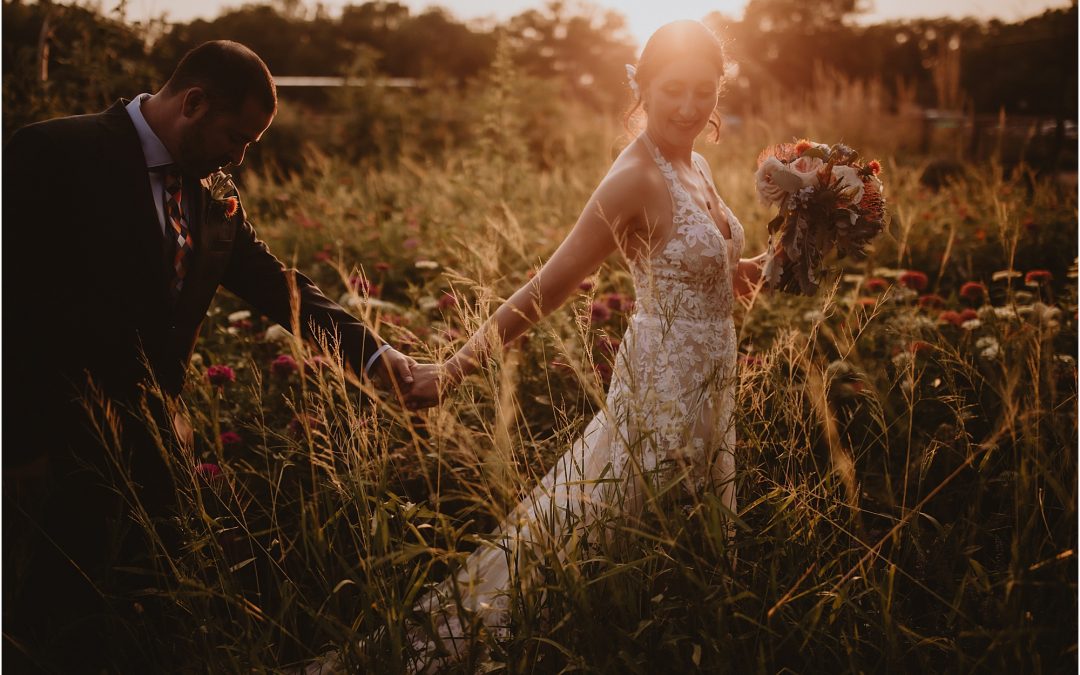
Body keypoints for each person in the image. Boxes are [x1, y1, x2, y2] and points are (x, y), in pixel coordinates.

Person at [2, 40, 416, 672]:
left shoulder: (213, 188)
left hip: (154, 438)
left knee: (135, 612)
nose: (239, 155)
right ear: (192, 102)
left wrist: (371, 355)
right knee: (37, 620)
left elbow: (272, 282)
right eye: (236, 136)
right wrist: (21, 441)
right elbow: (14, 308)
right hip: (49, 444)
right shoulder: (53, 152)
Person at [385, 19, 781, 672]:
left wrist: (784, 253)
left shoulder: (696, 162)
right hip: (662, 388)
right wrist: (452, 371)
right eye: (673, 89)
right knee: (611, 532)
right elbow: (551, 284)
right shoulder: (633, 177)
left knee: (681, 538)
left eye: (703, 92)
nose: (688, 107)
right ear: (643, 87)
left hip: (712, 380)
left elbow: (715, 272)